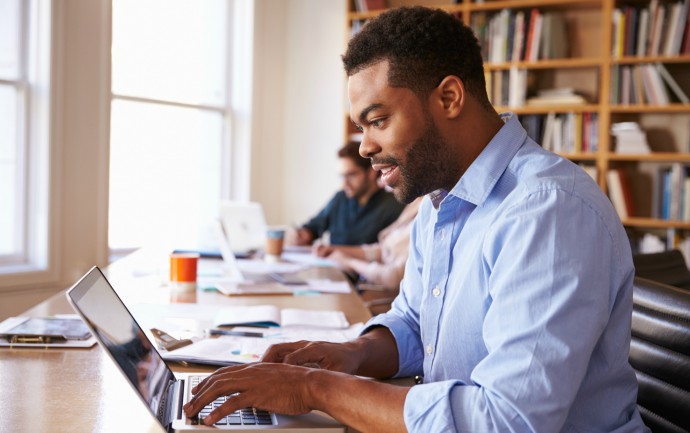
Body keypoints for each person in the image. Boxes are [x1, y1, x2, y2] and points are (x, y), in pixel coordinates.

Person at [185, 7, 648, 433]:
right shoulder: (441, 200)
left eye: (377, 120)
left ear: (448, 97)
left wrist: (315, 389)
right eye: (360, 127)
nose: (365, 146)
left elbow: (507, 421)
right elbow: (414, 322)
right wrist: (349, 356)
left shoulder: (547, 210)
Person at [288, 141, 405, 246]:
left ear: (371, 172)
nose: (345, 184)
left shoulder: (394, 206)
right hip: (333, 268)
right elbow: (314, 227)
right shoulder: (340, 198)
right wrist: (303, 234)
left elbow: (388, 254)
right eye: (342, 176)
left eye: (351, 175)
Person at [314, 196, 422, 291]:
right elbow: (382, 251)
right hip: (373, 287)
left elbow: (392, 277)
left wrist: (349, 262)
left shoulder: (425, 210)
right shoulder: (417, 203)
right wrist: (336, 249)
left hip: (384, 296)